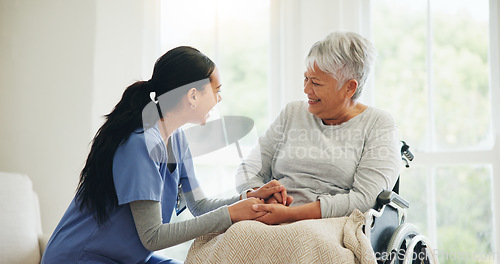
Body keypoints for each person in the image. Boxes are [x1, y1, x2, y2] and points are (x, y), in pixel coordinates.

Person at [41, 46, 287, 264]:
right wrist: (233, 214)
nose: (219, 98)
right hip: (83, 257)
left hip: (126, 258)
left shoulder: (177, 139)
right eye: (216, 90)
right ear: (192, 95)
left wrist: (250, 197)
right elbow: (152, 236)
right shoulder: (140, 144)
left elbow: (199, 205)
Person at [236, 31, 401, 224]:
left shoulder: (378, 124)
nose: (306, 89)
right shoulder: (292, 113)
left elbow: (364, 199)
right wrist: (260, 195)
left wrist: (291, 215)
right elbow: (249, 170)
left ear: (350, 87)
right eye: (306, 78)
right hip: (271, 217)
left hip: (332, 225)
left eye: (315, 83)